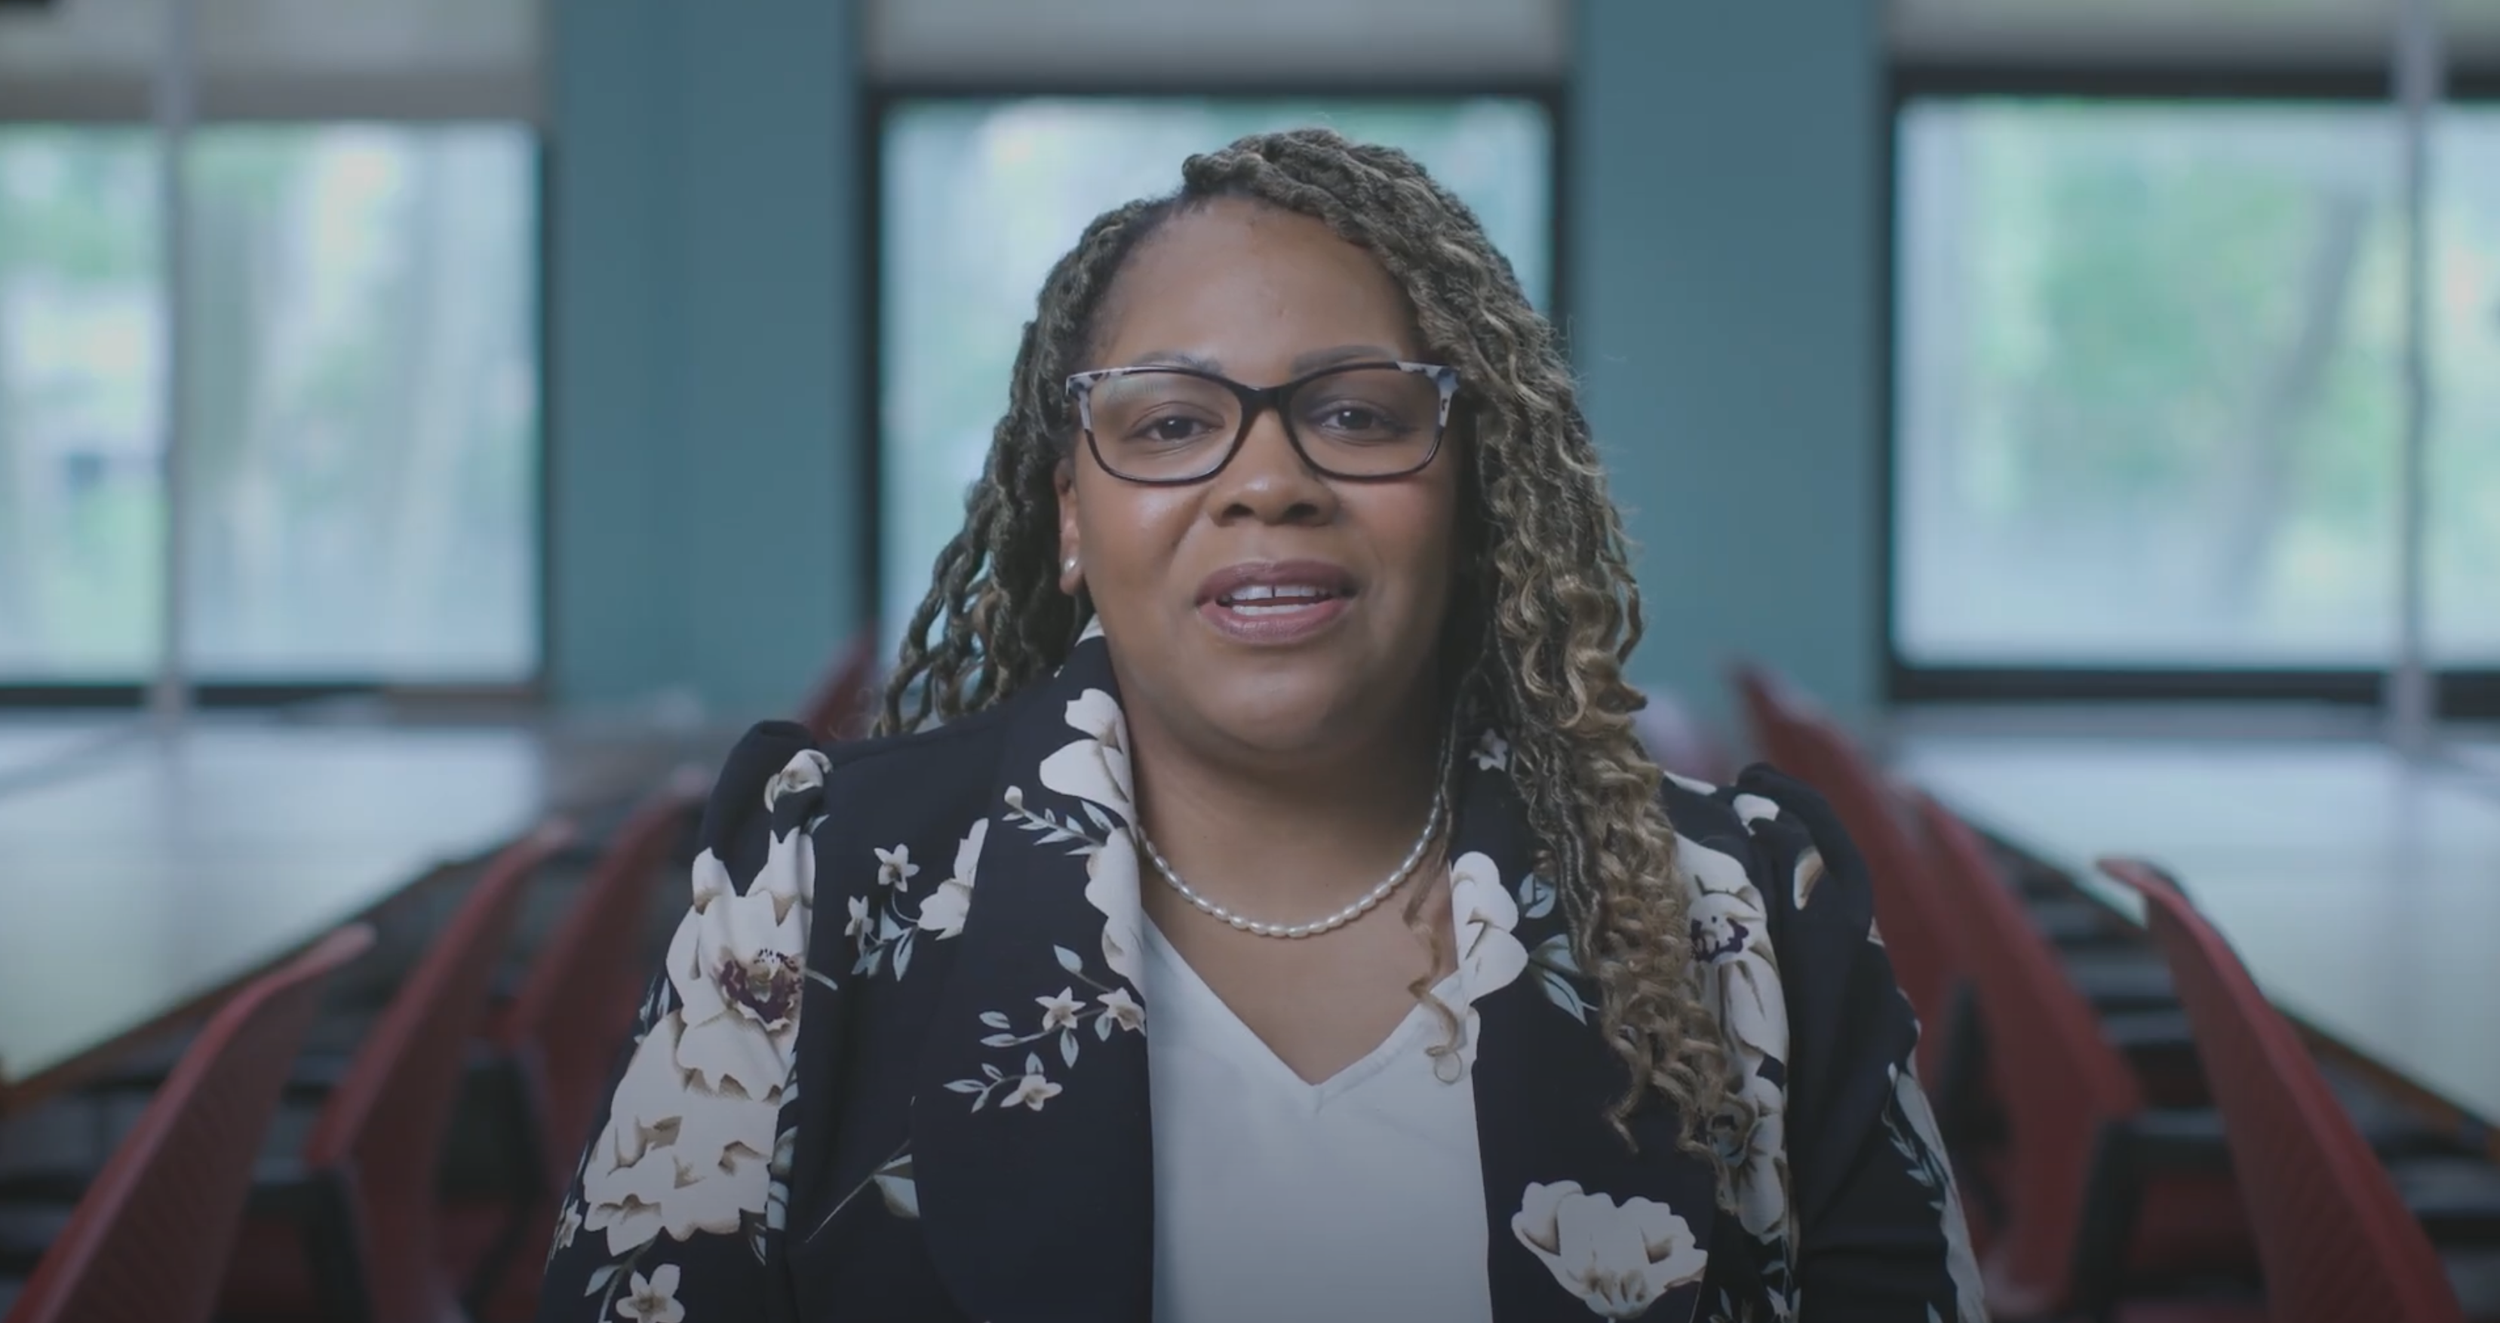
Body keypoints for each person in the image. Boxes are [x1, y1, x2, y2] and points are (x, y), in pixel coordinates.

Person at [538, 128, 1986, 1323]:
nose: (1269, 478)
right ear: (1069, 516)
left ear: (1473, 493)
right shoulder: (812, 892)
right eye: (1172, 424)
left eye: (1356, 415)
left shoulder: (1746, 919)